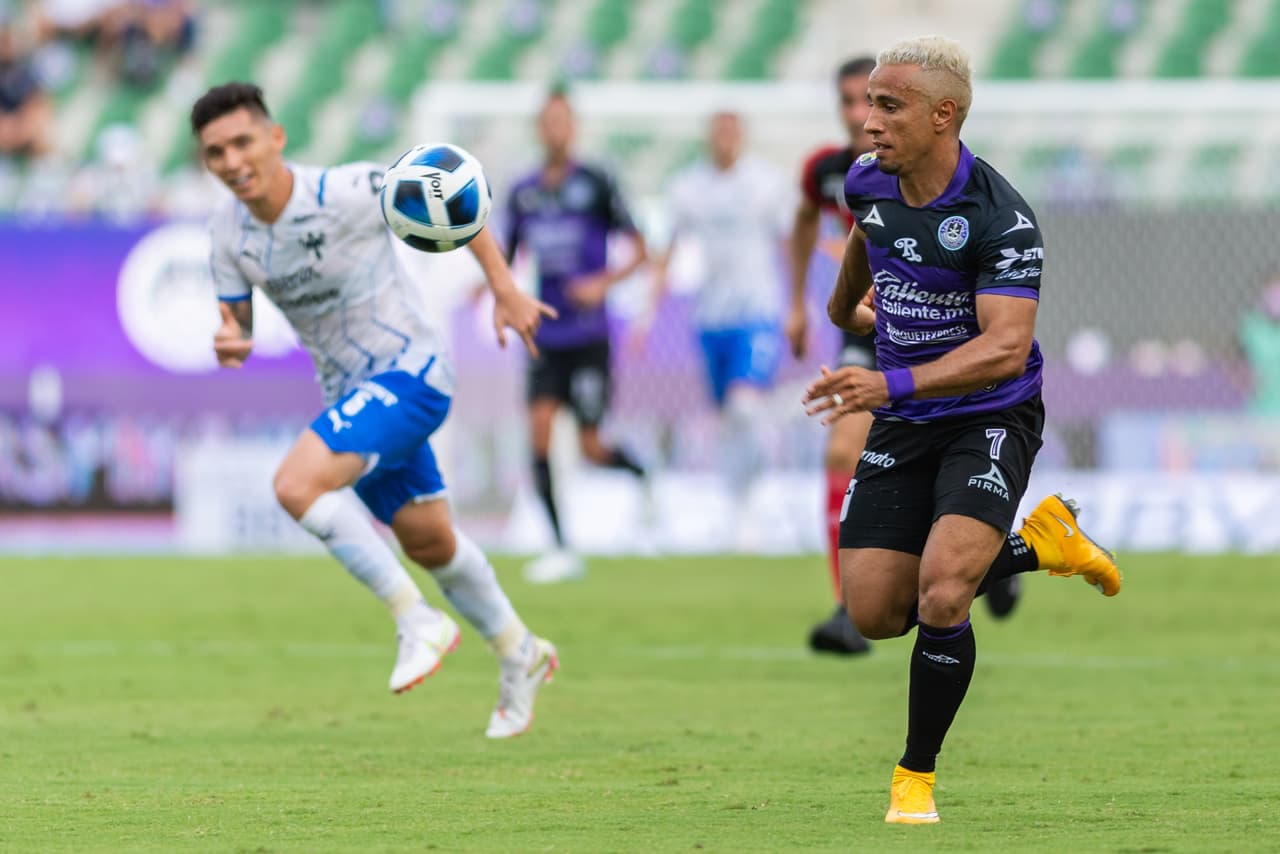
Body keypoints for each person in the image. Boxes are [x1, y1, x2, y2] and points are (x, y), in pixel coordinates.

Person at [801, 37, 1122, 823]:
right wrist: (845, 312)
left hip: (990, 416)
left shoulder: (1000, 217)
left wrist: (888, 380)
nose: (868, 122)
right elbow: (868, 234)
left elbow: (1006, 348)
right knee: (875, 612)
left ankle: (915, 778)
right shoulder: (870, 182)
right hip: (905, 419)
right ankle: (1041, 545)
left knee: (943, 596)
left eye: (887, 105)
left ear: (944, 115)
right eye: (868, 103)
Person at [194, 82, 558, 740]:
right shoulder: (226, 235)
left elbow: (453, 194)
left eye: (242, 141)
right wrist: (231, 339)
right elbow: (235, 323)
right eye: (215, 151)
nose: (231, 159)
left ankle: (414, 618)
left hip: (413, 372)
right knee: (430, 542)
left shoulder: (350, 191)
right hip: (354, 398)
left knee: (295, 485)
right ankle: (520, 652)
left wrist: (505, 290)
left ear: (275, 139)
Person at [504, 88, 649, 583]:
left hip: (589, 336)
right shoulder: (523, 191)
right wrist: (492, 297)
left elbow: (640, 249)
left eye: (563, 121)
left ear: (575, 127)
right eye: (547, 122)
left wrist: (601, 283)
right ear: (538, 129)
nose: (555, 130)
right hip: (545, 334)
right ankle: (560, 547)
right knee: (539, 435)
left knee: (590, 447)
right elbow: (504, 259)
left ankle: (644, 479)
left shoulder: (597, 183)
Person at [642, 111, 789, 520]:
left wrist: (799, 304)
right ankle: (737, 502)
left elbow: (790, 240)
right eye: (718, 132)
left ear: (743, 136)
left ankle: (755, 495)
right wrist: (646, 313)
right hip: (712, 317)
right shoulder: (688, 187)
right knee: (727, 415)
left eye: (732, 131)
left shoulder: (766, 183)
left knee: (744, 405)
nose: (725, 139)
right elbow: (668, 250)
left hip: (758, 311)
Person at [0, 24, 51, 158]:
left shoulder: (24, 69)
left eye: (6, 40)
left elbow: (39, 105)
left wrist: (23, 129)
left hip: (23, 129)